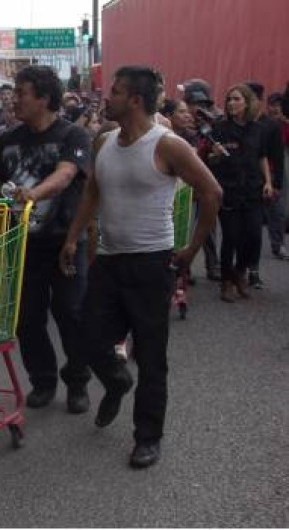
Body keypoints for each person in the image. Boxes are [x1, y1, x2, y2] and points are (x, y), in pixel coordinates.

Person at [60, 66, 221, 469]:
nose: (106, 98)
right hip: (110, 262)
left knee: (151, 356)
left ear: (134, 100)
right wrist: (72, 236)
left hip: (152, 265)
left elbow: (211, 192)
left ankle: (147, 437)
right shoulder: (104, 142)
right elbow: (93, 190)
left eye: (113, 92)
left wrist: (190, 250)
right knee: (88, 339)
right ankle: (116, 382)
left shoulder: (167, 145)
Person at [0, 65, 93, 413]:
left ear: (44, 98)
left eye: (21, 93)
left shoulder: (72, 136)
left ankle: (77, 381)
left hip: (65, 242)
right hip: (21, 246)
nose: (13, 100)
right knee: (27, 318)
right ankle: (43, 380)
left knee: (71, 314)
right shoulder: (5, 141)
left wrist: (31, 194)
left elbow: (65, 176)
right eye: (14, 93)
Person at [205, 84, 274, 302]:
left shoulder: (258, 129)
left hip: (253, 189)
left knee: (254, 237)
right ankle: (226, 281)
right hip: (228, 190)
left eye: (236, 99)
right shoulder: (219, 128)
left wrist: (269, 182)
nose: (231, 103)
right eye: (229, 99)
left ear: (247, 102)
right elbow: (209, 161)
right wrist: (214, 155)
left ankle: (240, 271)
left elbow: (262, 157)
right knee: (231, 238)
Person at [181, 79, 222, 281]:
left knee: (208, 227)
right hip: (185, 186)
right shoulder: (180, 123)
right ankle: (183, 268)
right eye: (193, 103)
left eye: (203, 104)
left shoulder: (214, 124)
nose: (198, 108)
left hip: (207, 185)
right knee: (184, 229)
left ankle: (213, 265)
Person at [245, 82, 288, 268]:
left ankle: (278, 245)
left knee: (277, 211)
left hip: (268, 172)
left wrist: (277, 182)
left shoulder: (271, 126)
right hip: (245, 175)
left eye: (250, 98)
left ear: (259, 101)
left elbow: (278, 155)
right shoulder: (238, 123)